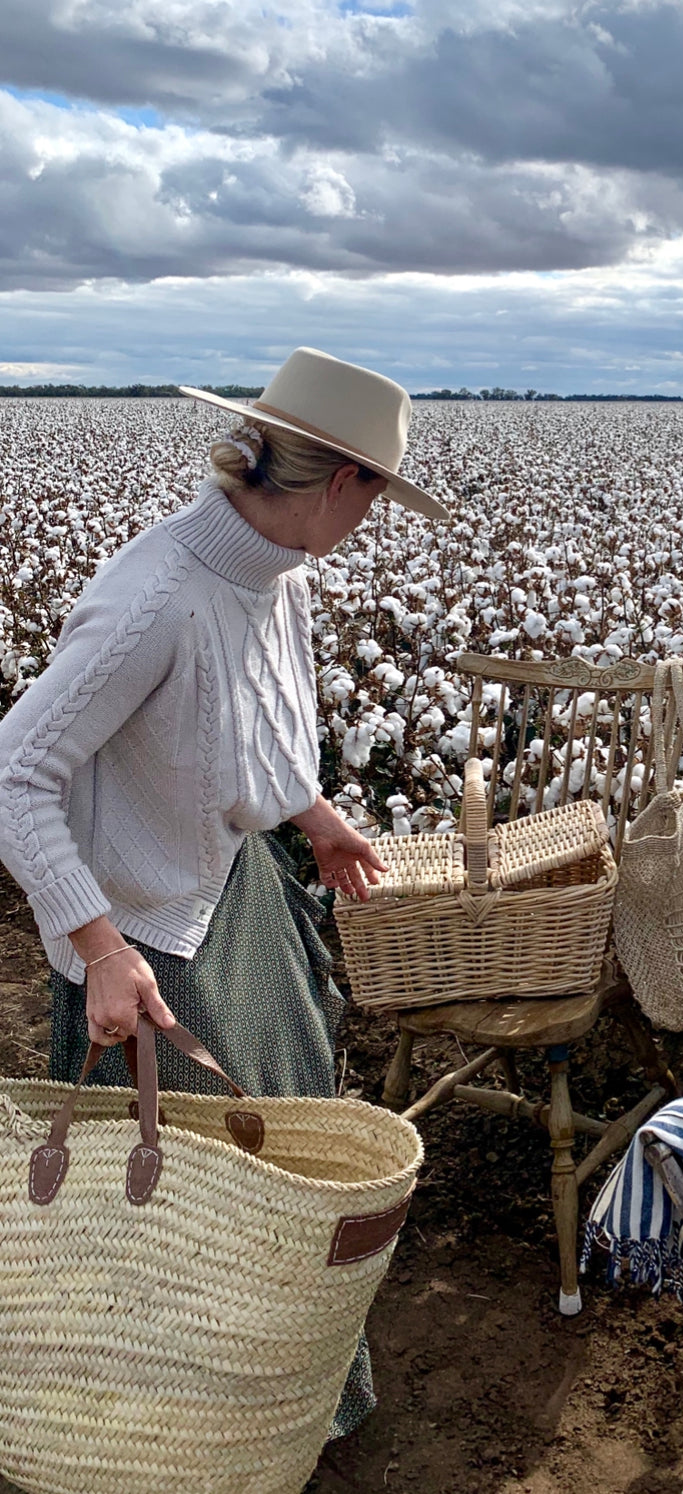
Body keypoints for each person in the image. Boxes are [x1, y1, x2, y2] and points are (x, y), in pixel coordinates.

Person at [0, 345, 450, 1446]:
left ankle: (291, 1397)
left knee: (285, 1140)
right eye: (377, 495)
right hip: (150, 930)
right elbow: (16, 772)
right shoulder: (154, 598)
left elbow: (253, 733)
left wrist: (314, 816)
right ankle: (177, 1427)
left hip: (233, 892)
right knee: (191, 1196)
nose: (374, 517)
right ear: (342, 481)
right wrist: (101, 947)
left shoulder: (275, 576)